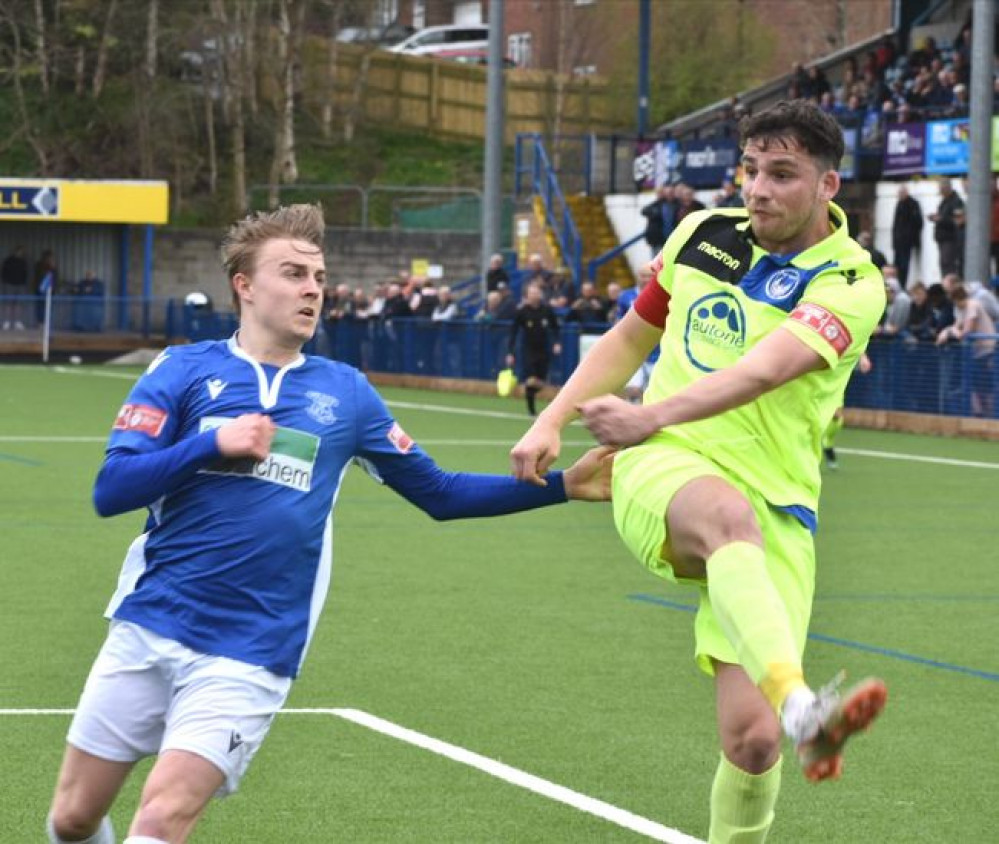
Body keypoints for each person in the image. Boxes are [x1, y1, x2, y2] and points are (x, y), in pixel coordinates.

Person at [45, 205, 612, 844]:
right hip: (150, 623)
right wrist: (212, 444)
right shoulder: (181, 370)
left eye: (319, 275)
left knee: (160, 818)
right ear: (246, 285)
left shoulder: (346, 395)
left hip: (252, 648)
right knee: (72, 819)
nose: (314, 288)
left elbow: (440, 493)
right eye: (293, 273)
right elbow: (111, 489)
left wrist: (564, 487)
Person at [509, 100, 888, 843]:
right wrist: (553, 419)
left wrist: (651, 409)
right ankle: (806, 707)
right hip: (665, 466)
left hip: (779, 507)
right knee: (723, 519)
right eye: (750, 170)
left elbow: (764, 370)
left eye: (782, 174)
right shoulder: (698, 235)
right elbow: (627, 338)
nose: (757, 189)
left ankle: (785, 722)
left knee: (751, 742)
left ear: (827, 186)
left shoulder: (852, 281)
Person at [936, 282, 996, 417]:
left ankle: (989, 416)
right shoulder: (961, 309)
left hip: (986, 352)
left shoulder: (972, 305)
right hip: (975, 354)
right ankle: (978, 415)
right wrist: (947, 331)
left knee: (986, 388)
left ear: (957, 298)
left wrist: (952, 332)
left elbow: (968, 331)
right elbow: (956, 326)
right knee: (974, 386)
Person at [507, 281, 561, 416]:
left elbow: (555, 328)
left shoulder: (547, 310)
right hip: (528, 350)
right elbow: (513, 332)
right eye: (531, 293)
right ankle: (531, 409)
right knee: (531, 379)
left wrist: (557, 342)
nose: (534, 295)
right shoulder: (522, 311)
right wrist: (510, 352)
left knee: (540, 382)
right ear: (527, 295)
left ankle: (529, 394)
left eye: (536, 293)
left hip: (544, 349)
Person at [929, 178, 965, 277]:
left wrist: (940, 219)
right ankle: (946, 285)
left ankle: (950, 287)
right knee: (944, 264)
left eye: (941, 189)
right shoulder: (945, 201)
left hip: (950, 239)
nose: (940, 192)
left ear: (946, 188)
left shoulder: (956, 201)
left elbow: (957, 221)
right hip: (943, 238)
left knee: (948, 265)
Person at [891, 185, 923, 289]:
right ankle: (898, 285)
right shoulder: (899, 204)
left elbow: (918, 222)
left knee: (904, 266)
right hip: (898, 241)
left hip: (907, 241)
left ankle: (902, 285)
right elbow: (895, 224)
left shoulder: (913, 204)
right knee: (897, 265)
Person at [641, 185, 677, 258]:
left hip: (670, 239)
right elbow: (644, 211)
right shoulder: (657, 204)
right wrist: (654, 213)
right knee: (656, 262)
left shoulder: (676, 204)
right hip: (657, 239)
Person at [1, 244, 29, 329]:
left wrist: (24, 283)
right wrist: (6, 281)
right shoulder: (8, 260)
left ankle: (18, 322)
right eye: (20, 251)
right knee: (8, 304)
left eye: (22, 252)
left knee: (19, 304)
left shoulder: (23, 261)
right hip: (9, 285)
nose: (21, 253)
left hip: (20, 285)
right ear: (16, 251)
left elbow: (25, 273)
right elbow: (3, 272)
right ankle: (7, 322)